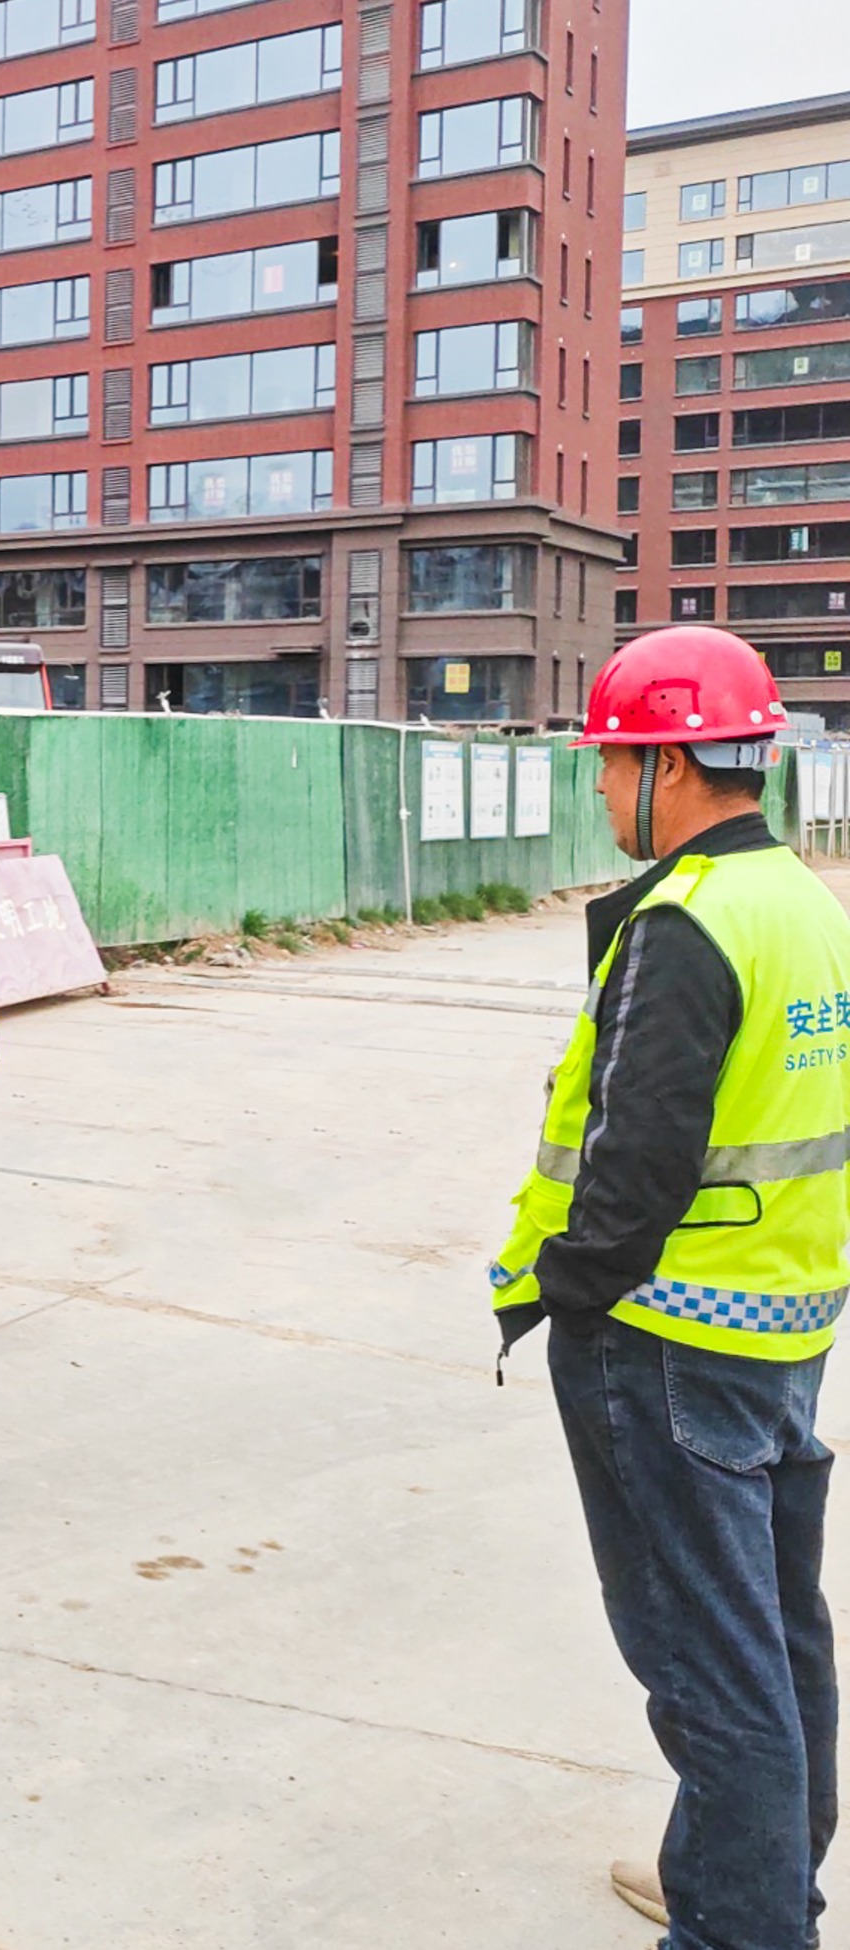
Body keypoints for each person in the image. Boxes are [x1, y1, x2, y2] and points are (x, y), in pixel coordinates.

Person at [489, 625, 850, 1950]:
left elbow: (634, 1161)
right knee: (774, 1638)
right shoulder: (803, 901)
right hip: (781, 1320)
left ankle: (739, 1927)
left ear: (671, 766)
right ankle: (749, 1878)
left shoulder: (687, 919)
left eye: (610, 762)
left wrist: (569, 1289)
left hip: (664, 1336)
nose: (598, 787)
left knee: (710, 1666)